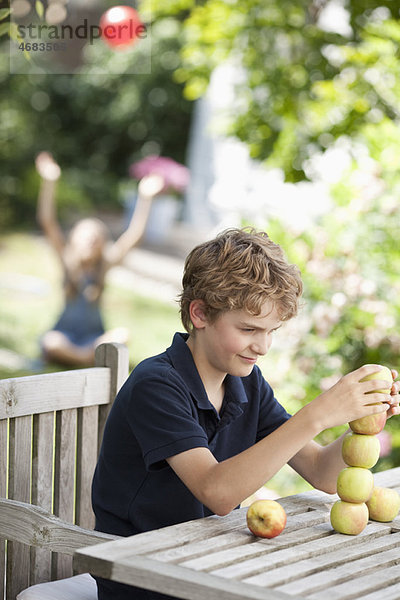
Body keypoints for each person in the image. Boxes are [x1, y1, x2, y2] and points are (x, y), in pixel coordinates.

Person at [91, 227, 400, 600]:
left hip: (211, 561)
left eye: (272, 331)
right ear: (200, 313)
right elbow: (217, 492)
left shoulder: (246, 383)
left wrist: (361, 419)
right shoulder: (156, 385)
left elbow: (322, 472)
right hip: (143, 576)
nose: (263, 346)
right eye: (249, 329)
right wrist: (317, 413)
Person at [35, 151, 165, 366]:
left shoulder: (104, 266)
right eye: (85, 238)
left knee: (122, 335)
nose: (89, 243)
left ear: (102, 245)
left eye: (95, 240)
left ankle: (81, 357)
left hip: (92, 339)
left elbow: (134, 236)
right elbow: (47, 221)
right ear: (74, 241)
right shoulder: (68, 263)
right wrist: (49, 182)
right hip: (65, 337)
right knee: (52, 342)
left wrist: (145, 197)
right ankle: (85, 359)